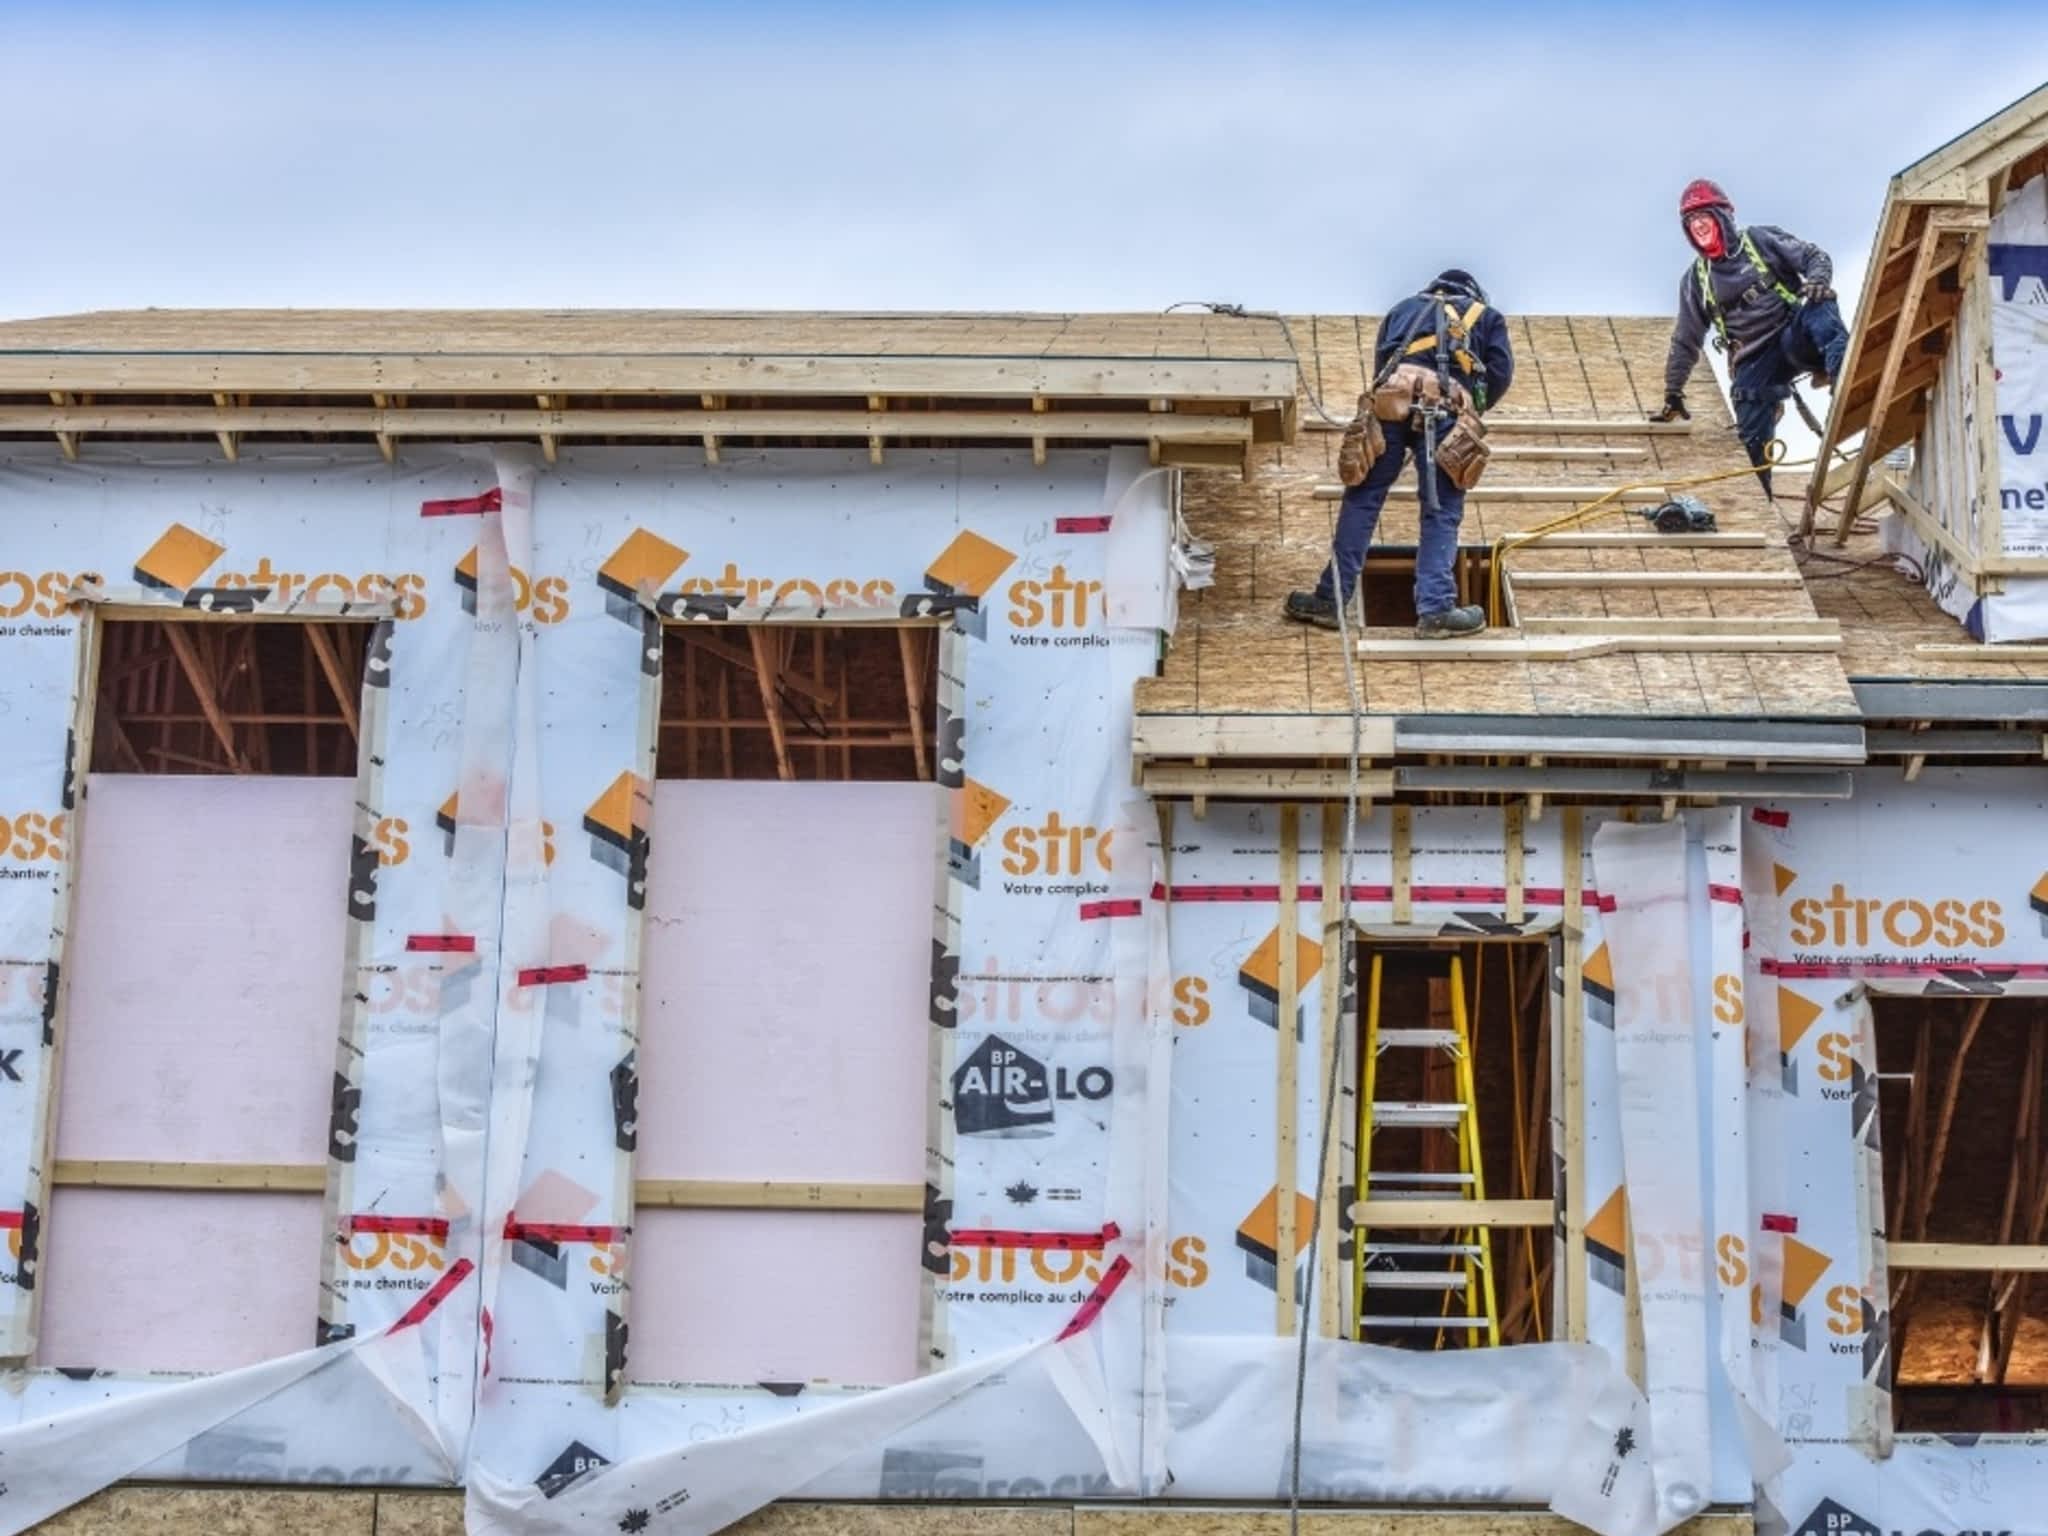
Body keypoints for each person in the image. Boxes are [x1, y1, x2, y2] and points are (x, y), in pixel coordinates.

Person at [1284, 270, 1514, 637]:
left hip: (1390, 403)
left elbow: (1382, 366)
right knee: (1440, 510)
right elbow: (1500, 374)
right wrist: (1472, 409)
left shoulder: (1403, 308)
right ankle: (1436, 609)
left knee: (1363, 498)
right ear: (1474, 294)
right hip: (1445, 409)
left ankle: (1329, 600)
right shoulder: (1486, 316)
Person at [1652, 179, 1849, 497]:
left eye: (1704, 218)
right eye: (1691, 222)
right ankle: (1762, 498)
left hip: (1793, 337)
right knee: (1749, 425)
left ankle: (1843, 375)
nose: (1699, 226)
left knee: (1820, 301)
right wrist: (1673, 391)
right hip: (1756, 360)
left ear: (1722, 218)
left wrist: (1817, 281)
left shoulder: (1760, 241)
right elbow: (1685, 339)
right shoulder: (1697, 280)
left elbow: (1814, 256)